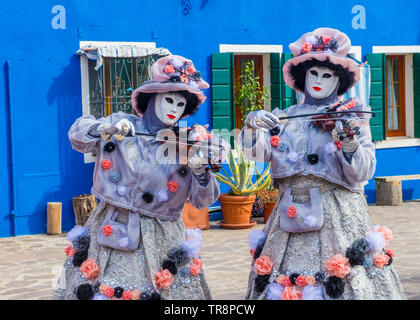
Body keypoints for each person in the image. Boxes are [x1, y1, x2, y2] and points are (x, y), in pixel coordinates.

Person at [240, 28, 405, 300]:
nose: (318, 81)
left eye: (326, 75)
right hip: (288, 216)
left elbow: (363, 171)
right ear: (303, 77)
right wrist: (251, 126)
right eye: (313, 74)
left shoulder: (351, 117)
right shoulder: (284, 118)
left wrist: (348, 139)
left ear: (338, 81)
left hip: (338, 216)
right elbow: (257, 154)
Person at [53, 55, 222, 300]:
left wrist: (199, 171)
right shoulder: (122, 124)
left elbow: (202, 201)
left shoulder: (187, 143)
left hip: (162, 234)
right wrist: (105, 130)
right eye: (169, 100)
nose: (174, 109)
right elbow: (77, 135)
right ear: (153, 98)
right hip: (112, 226)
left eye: (180, 104)